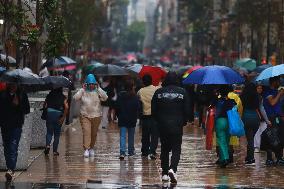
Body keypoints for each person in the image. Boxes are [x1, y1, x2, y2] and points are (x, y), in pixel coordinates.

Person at [151, 72, 191, 184]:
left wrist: (158, 120)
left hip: (163, 124)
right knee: (176, 148)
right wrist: (184, 121)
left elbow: (153, 110)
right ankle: (173, 169)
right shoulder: (183, 92)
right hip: (177, 124)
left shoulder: (158, 92)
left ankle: (164, 174)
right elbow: (187, 109)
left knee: (164, 149)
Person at [0, 83, 30, 181]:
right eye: (11, 84)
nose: (13, 86)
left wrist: (19, 105)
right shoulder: (3, 95)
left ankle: (10, 170)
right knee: (7, 147)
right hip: (5, 125)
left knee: (13, 146)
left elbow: (27, 110)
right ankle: (10, 167)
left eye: (15, 84)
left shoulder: (22, 95)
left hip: (16, 125)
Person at [73, 74, 108, 158]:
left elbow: (105, 97)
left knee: (94, 133)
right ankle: (86, 149)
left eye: (93, 84)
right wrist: (82, 89)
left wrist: (99, 88)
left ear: (95, 84)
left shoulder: (97, 91)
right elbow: (75, 98)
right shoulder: (83, 91)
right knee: (87, 132)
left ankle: (91, 147)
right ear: (87, 84)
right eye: (90, 84)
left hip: (96, 115)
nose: (91, 85)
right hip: (85, 115)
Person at [116, 80, 140, 160]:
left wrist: (117, 115)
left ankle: (122, 152)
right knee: (131, 136)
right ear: (132, 87)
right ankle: (131, 152)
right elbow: (137, 107)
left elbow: (117, 107)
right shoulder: (135, 96)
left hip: (122, 118)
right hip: (132, 119)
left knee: (122, 136)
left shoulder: (120, 95)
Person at [263, 76, 284, 166]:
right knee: (270, 138)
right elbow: (272, 102)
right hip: (271, 118)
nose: (279, 82)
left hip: (278, 117)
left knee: (280, 138)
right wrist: (279, 94)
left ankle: (279, 158)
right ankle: (269, 158)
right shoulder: (268, 92)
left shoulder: (276, 91)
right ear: (273, 82)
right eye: (278, 81)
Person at [137, 74, 159, 159]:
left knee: (145, 135)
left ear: (143, 82)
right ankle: (152, 151)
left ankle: (144, 152)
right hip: (155, 116)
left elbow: (138, 100)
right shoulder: (156, 89)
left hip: (145, 116)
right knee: (155, 135)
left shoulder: (140, 91)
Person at [214, 86, 236, 168]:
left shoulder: (217, 100)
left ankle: (225, 158)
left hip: (220, 121)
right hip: (229, 122)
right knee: (226, 140)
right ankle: (222, 158)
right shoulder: (232, 101)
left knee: (221, 140)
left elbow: (211, 109)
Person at [43, 87, 68, 156]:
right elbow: (66, 107)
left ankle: (47, 146)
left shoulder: (49, 95)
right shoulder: (63, 97)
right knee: (56, 134)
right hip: (58, 115)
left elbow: (45, 105)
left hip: (49, 114)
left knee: (49, 132)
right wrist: (63, 117)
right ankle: (54, 151)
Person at [240, 83, 261, 165]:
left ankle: (250, 158)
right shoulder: (257, 96)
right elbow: (259, 108)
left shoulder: (242, 96)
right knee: (252, 138)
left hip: (246, 117)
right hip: (256, 118)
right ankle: (249, 158)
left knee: (250, 139)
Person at [254, 84, 271, 152]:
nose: (260, 89)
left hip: (261, 116)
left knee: (261, 131)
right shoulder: (258, 97)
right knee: (258, 131)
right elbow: (261, 108)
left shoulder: (260, 96)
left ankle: (259, 146)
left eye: (261, 88)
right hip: (259, 116)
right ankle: (257, 147)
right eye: (258, 88)